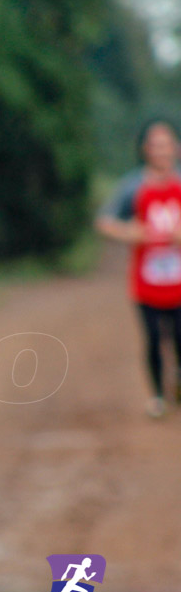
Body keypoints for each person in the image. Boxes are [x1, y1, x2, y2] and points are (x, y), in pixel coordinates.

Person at [96, 119, 181, 419]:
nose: (162, 151)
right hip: (147, 280)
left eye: (167, 144)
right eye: (156, 145)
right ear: (145, 150)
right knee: (155, 339)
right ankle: (158, 395)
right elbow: (104, 222)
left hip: (179, 281)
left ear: (176, 148)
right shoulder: (133, 186)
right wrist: (131, 232)